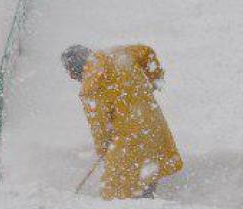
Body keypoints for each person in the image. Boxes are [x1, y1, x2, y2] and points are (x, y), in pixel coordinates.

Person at [61, 44, 183, 200]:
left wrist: (103, 148)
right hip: (153, 125)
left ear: (73, 70)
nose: (71, 77)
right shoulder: (119, 53)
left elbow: (100, 127)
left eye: (69, 72)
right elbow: (147, 52)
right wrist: (154, 79)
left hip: (129, 141)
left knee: (117, 194)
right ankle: (148, 198)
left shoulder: (90, 86)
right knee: (149, 169)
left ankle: (143, 207)